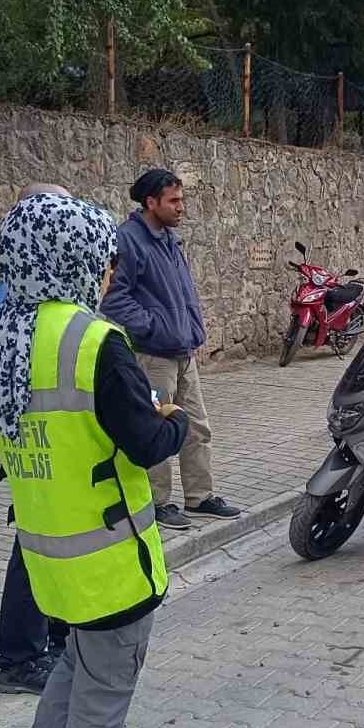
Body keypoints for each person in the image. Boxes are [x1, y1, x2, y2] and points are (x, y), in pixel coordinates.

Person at [0, 191, 190, 728]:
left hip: (48, 554)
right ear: (71, 257)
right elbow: (146, 443)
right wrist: (174, 417)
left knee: (74, 666)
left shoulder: (6, 336)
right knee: (105, 686)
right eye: (100, 257)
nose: (107, 269)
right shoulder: (94, 341)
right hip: (107, 555)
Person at [0, 183, 73, 695]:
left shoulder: (65, 275)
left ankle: (56, 638)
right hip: (39, 436)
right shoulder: (23, 284)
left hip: (68, 434)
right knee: (34, 544)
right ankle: (21, 660)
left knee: (60, 541)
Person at [101, 169, 239, 531]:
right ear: (151, 202)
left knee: (197, 427)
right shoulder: (129, 240)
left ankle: (200, 497)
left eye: (181, 199)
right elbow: (115, 300)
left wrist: (190, 330)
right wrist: (155, 328)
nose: (182, 207)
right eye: (173, 201)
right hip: (152, 355)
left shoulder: (169, 239)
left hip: (183, 351)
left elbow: (181, 294)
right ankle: (157, 502)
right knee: (156, 426)